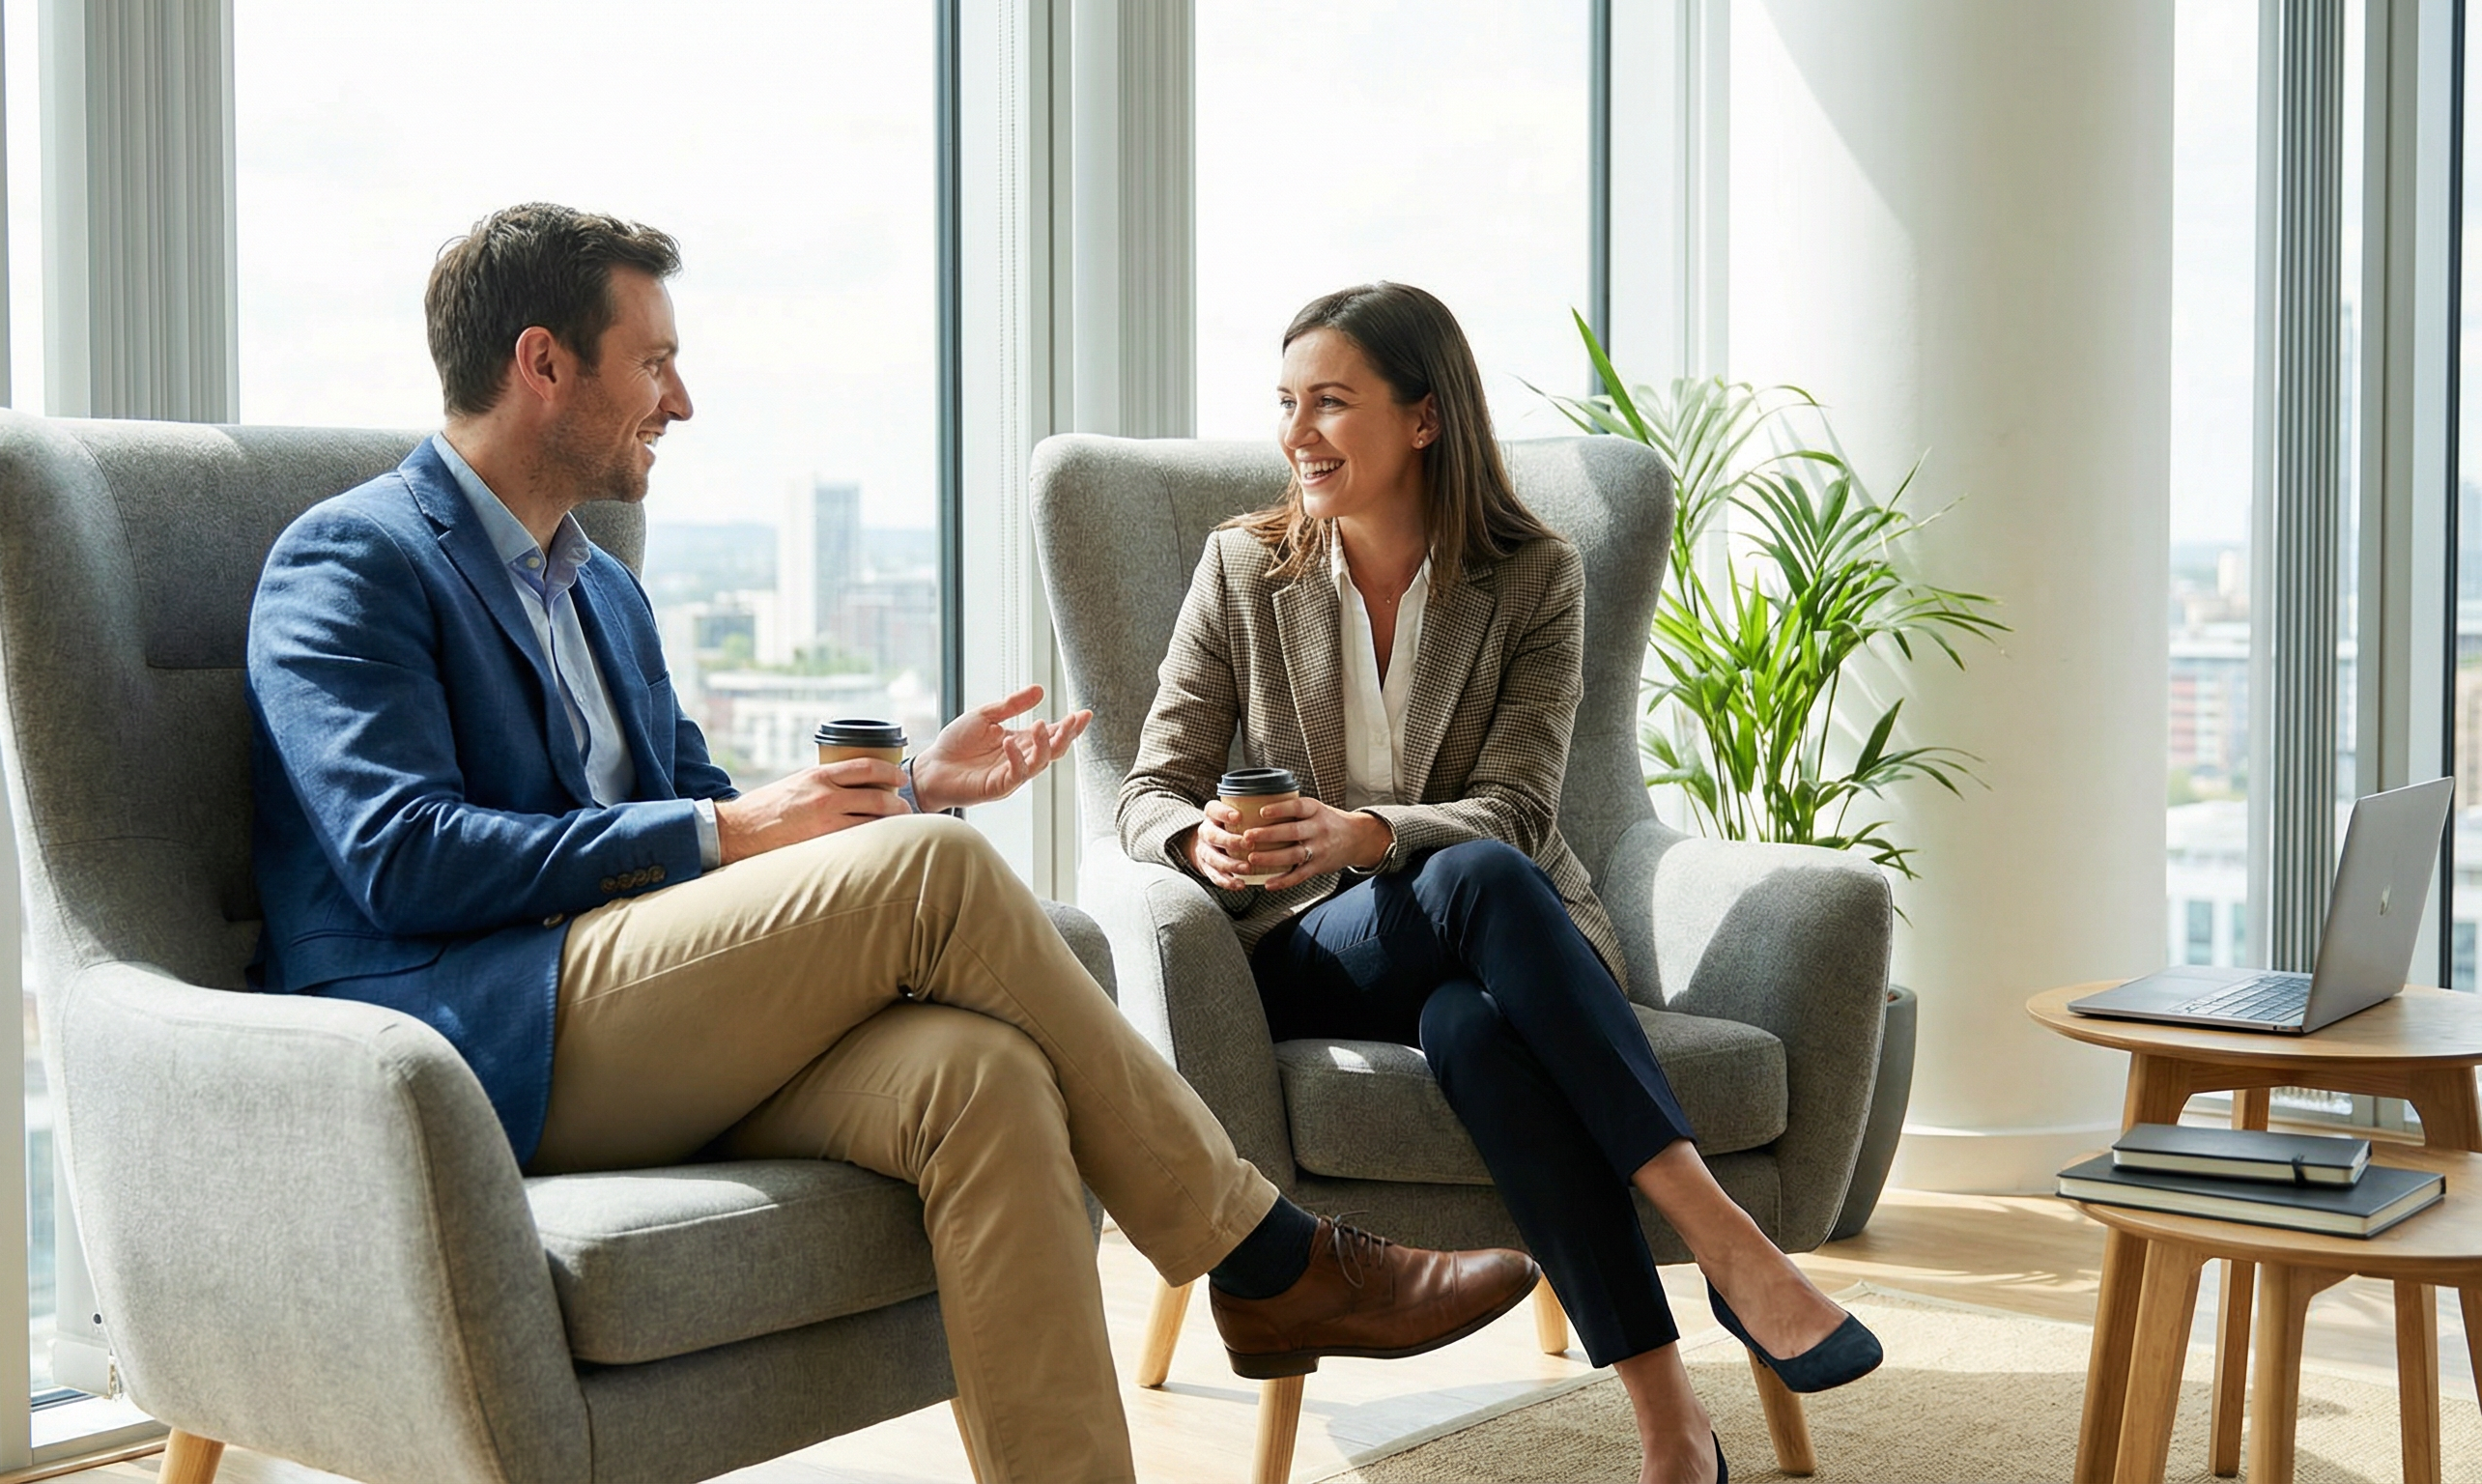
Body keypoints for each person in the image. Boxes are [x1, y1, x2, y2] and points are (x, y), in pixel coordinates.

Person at [244, 205, 1541, 1484]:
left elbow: (711, 822)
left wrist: (909, 785)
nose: (680, 400)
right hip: (479, 1038)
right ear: (542, 363)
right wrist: (734, 827)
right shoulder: (353, 559)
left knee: (984, 1078)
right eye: (653, 362)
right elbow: (402, 856)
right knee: (939, 869)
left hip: (642, 1017)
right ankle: (1266, 1255)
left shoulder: (603, 590)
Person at [1115, 281, 1884, 1484]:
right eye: (1286, 403)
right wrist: (1192, 845)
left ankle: (1670, 1424)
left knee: (1473, 1028)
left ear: (1423, 418)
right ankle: (1726, 1243)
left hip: (1498, 943)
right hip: (1312, 952)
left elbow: (1521, 808)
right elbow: (1147, 787)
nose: (1296, 433)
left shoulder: (1530, 575)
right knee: (1473, 875)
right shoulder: (1243, 567)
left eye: (1330, 402)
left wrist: (1366, 833)